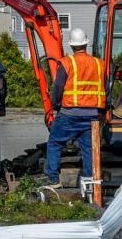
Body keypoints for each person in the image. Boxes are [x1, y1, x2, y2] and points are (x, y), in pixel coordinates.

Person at [44, 27, 106, 187]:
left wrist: (55, 105)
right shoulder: (99, 64)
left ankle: (53, 179)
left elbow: (58, 88)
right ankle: (89, 184)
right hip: (92, 115)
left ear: (71, 45)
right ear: (86, 44)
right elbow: (106, 89)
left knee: (55, 143)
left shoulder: (67, 63)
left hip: (70, 114)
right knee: (89, 150)